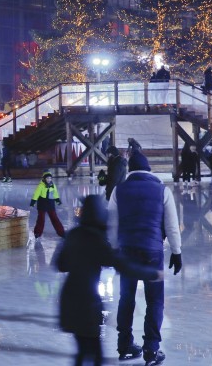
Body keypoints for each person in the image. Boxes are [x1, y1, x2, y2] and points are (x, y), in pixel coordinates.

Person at [56, 195, 161, 366]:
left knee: (83, 351)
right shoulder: (96, 241)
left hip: (69, 302)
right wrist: (153, 274)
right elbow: (123, 266)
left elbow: (61, 265)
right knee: (94, 354)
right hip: (87, 304)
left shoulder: (73, 235)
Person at [108, 149, 182, 366]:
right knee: (155, 300)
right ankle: (151, 349)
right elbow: (171, 224)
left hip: (126, 252)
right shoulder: (161, 190)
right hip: (152, 251)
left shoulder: (118, 190)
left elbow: (111, 223)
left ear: (130, 170)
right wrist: (176, 252)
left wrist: (114, 250)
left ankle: (124, 345)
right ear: (149, 169)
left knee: (126, 298)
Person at [30, 171, 65, 239]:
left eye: (50, 178)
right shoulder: (41, 185)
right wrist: (33, 202)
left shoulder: (53, 185)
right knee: (41, 219)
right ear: (44, 179)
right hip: (42, 204)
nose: (49, 179)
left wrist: (57, 200)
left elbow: (55, 193)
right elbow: (36, 194)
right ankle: (37, 233)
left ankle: (61, 232)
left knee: (54, 218)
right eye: (47, 178)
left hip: (50, 203)